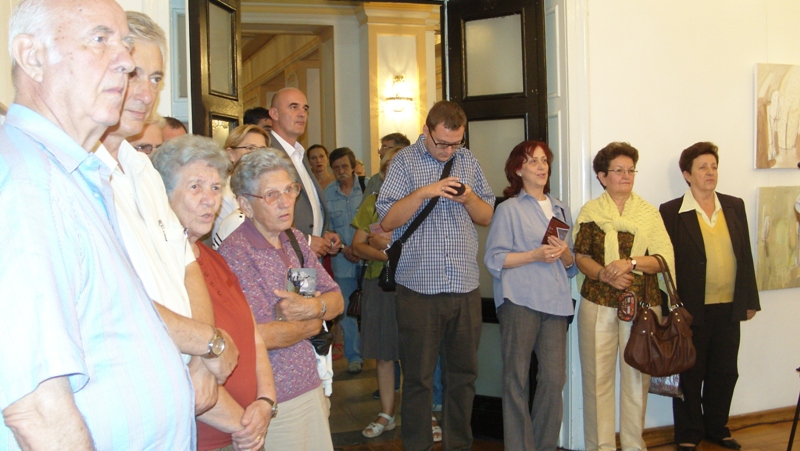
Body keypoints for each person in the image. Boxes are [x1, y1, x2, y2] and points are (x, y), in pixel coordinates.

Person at [0, 0, 193, 448]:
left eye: (123, 43)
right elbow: (37, 408)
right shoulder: (27, 182)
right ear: (31, 56)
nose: (125, 61)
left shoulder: (72, 173)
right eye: (100, 39)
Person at [96, 10, 239, 414]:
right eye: (133, 74)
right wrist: (209, 343)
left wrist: (201, 357)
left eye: (156, 78)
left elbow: (186, 264)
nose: (146, 94)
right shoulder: (81, 172)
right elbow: (116, 297)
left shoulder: (144, 170)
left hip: (176, 389)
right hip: (125, 394)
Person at [377, 100, 495, 450]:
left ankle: (459, 445)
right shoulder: (404, 161)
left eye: (455, 143)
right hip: (418, 288)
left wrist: (469, 198)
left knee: (464, 377)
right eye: (442, 142)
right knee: (418, 379)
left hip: (464, 286)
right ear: (426, 131)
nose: (448, 151)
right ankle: (418, 445)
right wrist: (425, 191)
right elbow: (388, 220)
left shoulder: (468, 160)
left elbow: (487, 215)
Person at [152, 135, 279, 451]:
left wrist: (266, 400)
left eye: (215, 188)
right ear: (162, 194)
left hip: (247, 427)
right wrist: (244, 427)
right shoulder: (157, 268)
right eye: (195, 187)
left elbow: (253, 336)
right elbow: (175, 367)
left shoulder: (214, 258)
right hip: (207, 438)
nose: (210, 199)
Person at [218, 149, 344, 450]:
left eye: (289, 189)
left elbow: (336, 300)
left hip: (311, 382)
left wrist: (311, 307)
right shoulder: (236, 254)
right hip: (272, 399)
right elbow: (259, 336)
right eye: (271, 194)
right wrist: (314, 322)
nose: (286, 201)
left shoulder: (294, 239)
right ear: (245, 205)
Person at [573, 142, 674, 451]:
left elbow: (663, 260)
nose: (626, 175)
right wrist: (605, 274)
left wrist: (629, 264)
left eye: (630, 170)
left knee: (636, 382)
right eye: (618, 170)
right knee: (597, 382)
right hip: (598, 305)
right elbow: (581, 257)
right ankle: (600, 447)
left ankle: (633, 446)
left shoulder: (649, 213)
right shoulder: (591, 212)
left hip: (643, 308)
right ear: (602, 176)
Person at [659, 142, 760, 451]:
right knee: (690, 372)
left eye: (714, 166)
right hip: (690, 309)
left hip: (729, 306)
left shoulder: (734, 205)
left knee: (725, 372)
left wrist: (750, 300)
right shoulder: (671, 211)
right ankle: (689, 432)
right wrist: (667, 308)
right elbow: (664, 264)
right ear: (687, 174)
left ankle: (717, 428)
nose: (710, 172)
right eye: (702, 167)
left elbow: (745, 256)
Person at [484, 140, 578, 451]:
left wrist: (565, 254)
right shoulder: (508, 209)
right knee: (516, 380)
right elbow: (495, 259)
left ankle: (544, 445)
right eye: (533, 161)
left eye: (544, 161)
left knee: (554, 380)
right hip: (519, 301)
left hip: (556, 303)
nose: (541, 167)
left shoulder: (561, 209)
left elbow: (571, 267)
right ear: (517, 170)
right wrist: (534, 255)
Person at [351, 146, 404, 438]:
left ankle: (423, 414)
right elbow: (357, 245)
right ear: (383, 173)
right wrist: (384, 255)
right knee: (384, 353)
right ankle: (387, 412)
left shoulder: (423, 202)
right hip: (380, 283)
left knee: (417, 353)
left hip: (417, 283)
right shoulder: (372, 202)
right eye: (389, 167)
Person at [269, 87, 340, 257]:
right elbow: (265, 213)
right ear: (274, 114)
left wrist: (322, 233)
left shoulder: (300, 154)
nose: (302, 114)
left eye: (305, 108)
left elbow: (308, 206)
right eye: (293, 107)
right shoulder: (267, 153)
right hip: (283, 256)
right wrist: (306, 241)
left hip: (309, 257)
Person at [324, 147, 367, 373]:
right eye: (336, 168)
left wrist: (361, 249)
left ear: (352, 167)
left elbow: (377, 223)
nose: (341, 171)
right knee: (347, 312)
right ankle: (354, 357)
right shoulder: (327, 193)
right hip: (342, 261)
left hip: (369, 260)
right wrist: (343, 248)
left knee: (372, 309)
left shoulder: (367, 188)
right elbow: (326, 229)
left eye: (344, 166)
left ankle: (376, 355)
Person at [212, 124, 271, 247]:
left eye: (262, 149)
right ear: (231, 154)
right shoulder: (222, 194)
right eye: (250, 148)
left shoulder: (269, 189)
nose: (258, 155)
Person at [365, 132, 411, 196]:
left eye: (385, 148)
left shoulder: (414, 181)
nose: (380, 152)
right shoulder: (375, 181)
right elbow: (366, 202)